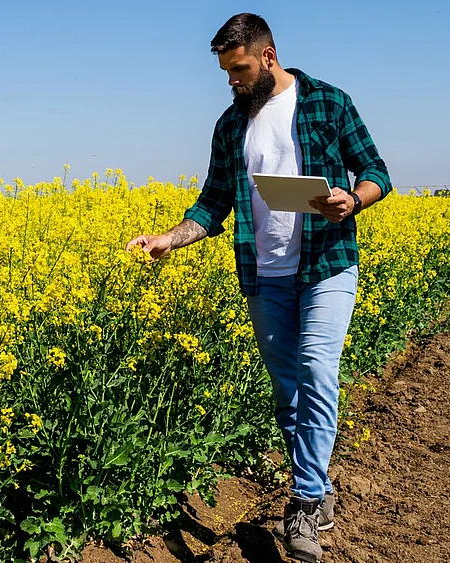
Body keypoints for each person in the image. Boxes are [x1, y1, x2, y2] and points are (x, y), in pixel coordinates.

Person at [125, 12, 392, 563]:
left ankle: (307, 501)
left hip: (327, 264)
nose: (232, 81)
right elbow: (213, 201)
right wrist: (169, 240)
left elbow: (376, 171)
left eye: (239, 69)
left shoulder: (328, 102)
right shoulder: (231, 125)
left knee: (318, 369)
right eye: (226, 72)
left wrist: (353, 199)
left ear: (267, 57)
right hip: (264, 274)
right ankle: (316, 483)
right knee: (288, 390)